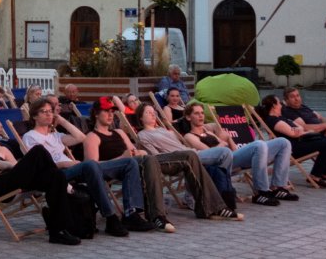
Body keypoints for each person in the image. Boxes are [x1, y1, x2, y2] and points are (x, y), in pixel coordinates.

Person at [21, 95, 151, 237]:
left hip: (75, 168)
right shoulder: (30, 136)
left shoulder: (56, 136)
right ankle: (111, 217)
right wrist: (67, 163)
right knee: (90, 165)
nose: (48, 114)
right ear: (34, 116)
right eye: (43, 111)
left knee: (130, 162)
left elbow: (81, 137)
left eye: (50, 111)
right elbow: (38, 165)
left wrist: (62, 120)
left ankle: (131, 214)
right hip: (57, 174)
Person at [0, 113, 80, 245]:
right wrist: (26, 166)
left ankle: (58, 231)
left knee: (56, 176)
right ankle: (69, 190)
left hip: (13, 179)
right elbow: (1, 165)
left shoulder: (2, 148)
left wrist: (24, 168)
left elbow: (16, 167)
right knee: (38, 150)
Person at [131, 100, 241, 221]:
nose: (153, 115)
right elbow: (155, 157)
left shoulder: (164, 130)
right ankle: (220, 198)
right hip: (174, 159)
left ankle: (219, 196)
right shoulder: (143, 135)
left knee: (217, 161)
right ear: (140, 118)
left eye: (153, 112)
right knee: (223, 153)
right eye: (148, 113)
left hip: (189, 154)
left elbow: (182, 146)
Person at [82, 99, 175, 233]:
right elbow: (92, 166)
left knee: (149, 159)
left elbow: (134, 151)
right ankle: (131, 214)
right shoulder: (92, 136)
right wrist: (122, 158)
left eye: (112, 111)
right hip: (107, 169)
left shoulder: (119, 132)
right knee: (131, 162)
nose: (110, 115)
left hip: (128, 167)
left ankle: (156, 215)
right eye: (106, 111)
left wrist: (138, 152)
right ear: (96, 114)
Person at [178, 102, 296, 205]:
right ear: (188, 117)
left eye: (202, 113)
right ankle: (261, 192)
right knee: (259, 144)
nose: (201, 116)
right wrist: (222, 142)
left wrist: (228, 139)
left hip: (231, 156)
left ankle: (278, 187)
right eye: (196, 113)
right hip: (220, 163)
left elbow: (232, 148)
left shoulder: (208, 131)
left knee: (283, 142)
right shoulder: (190, 136)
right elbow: (209, 153)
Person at [257, 96, 326, 188]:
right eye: (279, 103)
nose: (281, 104)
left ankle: (325, 173)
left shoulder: (281, 117)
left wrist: (301, 130)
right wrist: (301, 130)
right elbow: (293, 134)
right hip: (293, 148)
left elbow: (300, 128)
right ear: (273, 105)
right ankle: (315, 175)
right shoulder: (274, 120)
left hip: (301, 141)